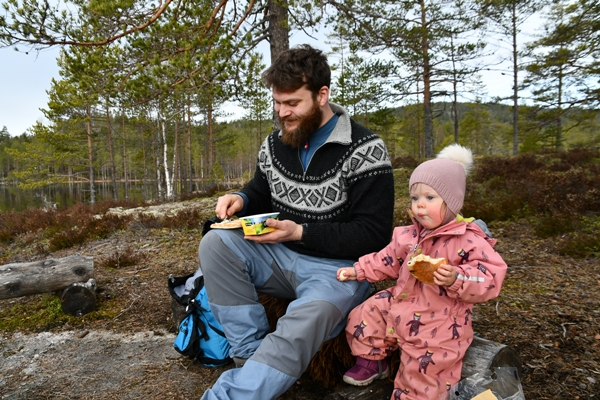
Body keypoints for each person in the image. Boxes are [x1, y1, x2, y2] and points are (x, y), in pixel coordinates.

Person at [198, 44, 395, 400]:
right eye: (277, 102)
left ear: (322, 95)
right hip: (279, 257)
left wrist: (300, 232)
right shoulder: (275, 143)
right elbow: (261, 189)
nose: (282, 112)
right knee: (215, 243)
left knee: (303, 321)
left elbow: (374, 235)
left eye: (292, 104)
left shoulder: (366, 149)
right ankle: (249, 358)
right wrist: (240, 198)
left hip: (339, 273)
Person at [336, 144, 508, 400]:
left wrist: (456, 278)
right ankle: (373, 361)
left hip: (441, 318)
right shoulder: (409, 235)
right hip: (403, 301)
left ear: (451, 202)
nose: (419, 206)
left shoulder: (469, 240)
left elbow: (490, 277)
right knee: (367, 313)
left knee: (425, 368)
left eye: (429, 198)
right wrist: (358, 270)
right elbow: (388, 258)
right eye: (415, 198)